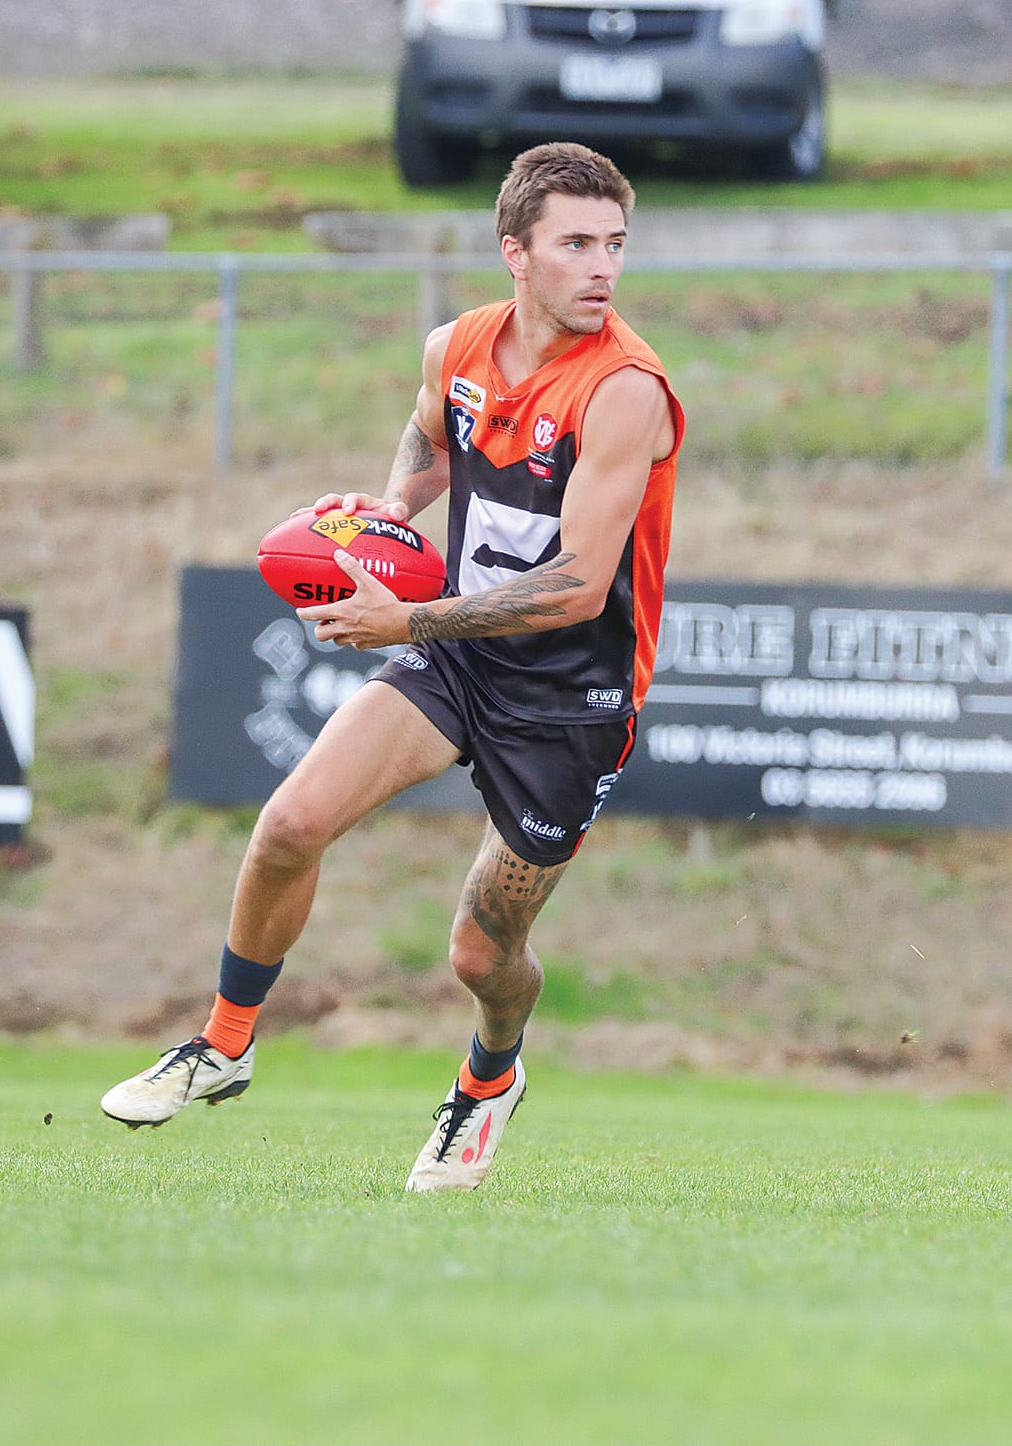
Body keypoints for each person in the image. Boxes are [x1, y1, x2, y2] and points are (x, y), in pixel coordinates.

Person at [101, 142, 684, 1193]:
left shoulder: (624, 391)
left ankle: (489, 1077)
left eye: (615, 245)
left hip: (568, 698)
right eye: (576, 244)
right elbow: (431, 442)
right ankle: (224, 1044)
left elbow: (578, 585)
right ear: (516, 252)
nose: (603, 267)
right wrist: (376, 527)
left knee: (479, 954)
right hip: (455, 659)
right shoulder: (456, 346)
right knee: (287, 825)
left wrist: (408, 615)